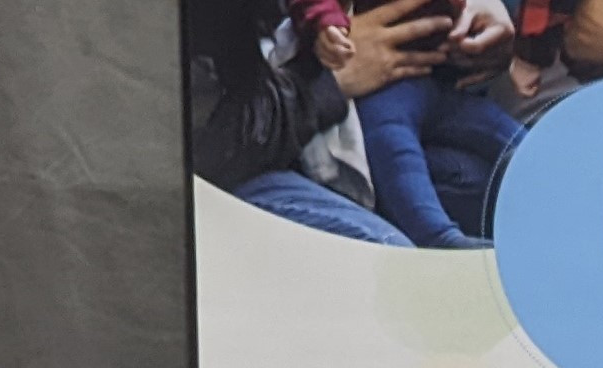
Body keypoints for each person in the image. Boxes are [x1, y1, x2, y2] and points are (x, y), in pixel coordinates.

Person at [187, 0, 459, 244]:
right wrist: (321, 85)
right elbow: (203, 145)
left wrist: (470, 14)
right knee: (392, 257)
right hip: (228, 171)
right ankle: (437, 236)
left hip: (383, 83)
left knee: (477, 178)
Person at [290, 0, 521, 247]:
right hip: (378, 82)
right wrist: (324, 22)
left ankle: (556, 182)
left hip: (442, 75)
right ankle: (437, 236)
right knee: (397, 153)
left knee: (509, 136)